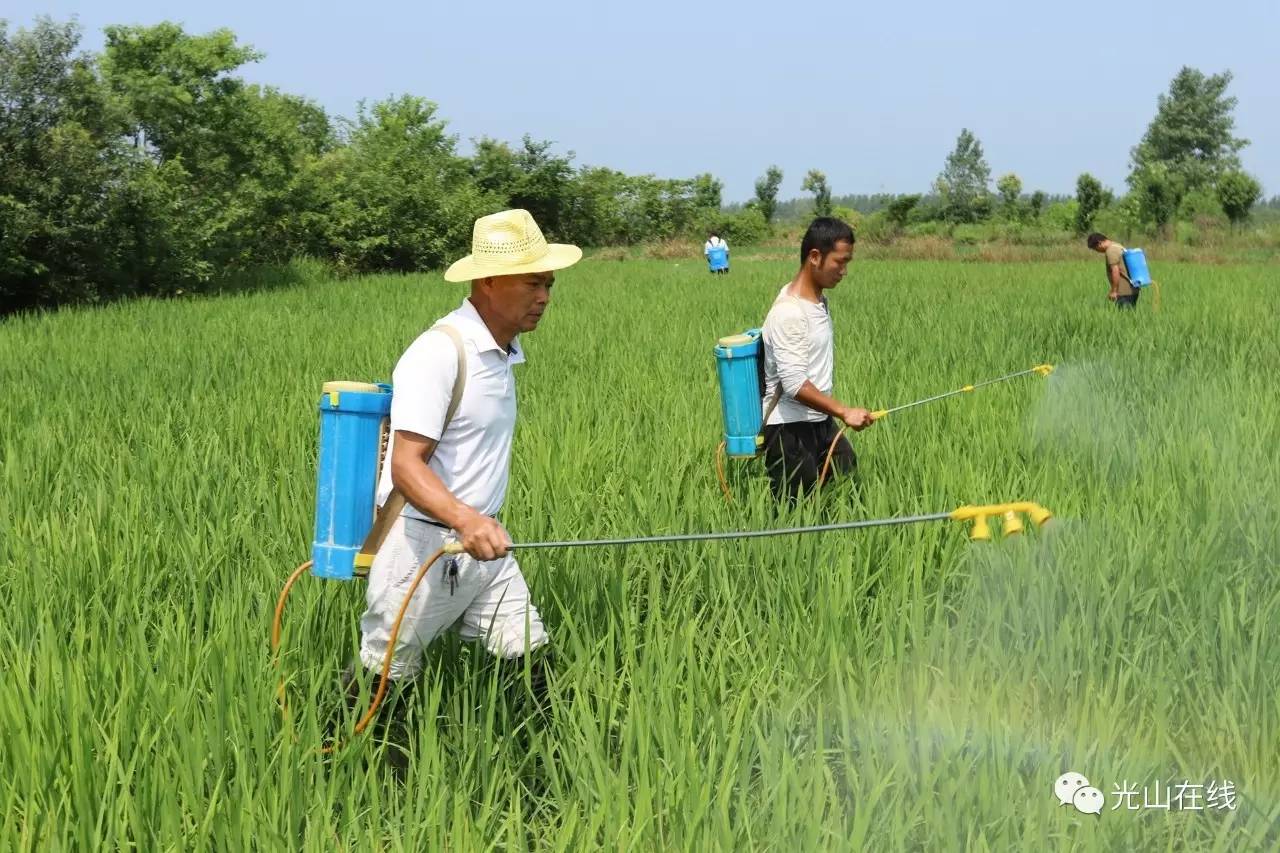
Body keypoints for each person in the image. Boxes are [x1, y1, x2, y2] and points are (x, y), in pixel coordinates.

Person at [344, 209, 581, 763]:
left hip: (483, 548)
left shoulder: (501, 352)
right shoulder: (439, 352)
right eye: (532, 282)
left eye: (548, 282)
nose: (545, 295)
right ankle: (358, 777)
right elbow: (407, 465)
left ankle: (551, 770)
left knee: (529, 659)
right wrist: (466, 519)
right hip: (423, 547)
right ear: (488, 282)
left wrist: (479, 524)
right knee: (386, 676)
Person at [759, 217, 875, 503]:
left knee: (844, 470)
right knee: (796, 509)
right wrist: (844, 411)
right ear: (815, 256)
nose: (844, 271)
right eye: (840, 261)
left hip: (816, 419)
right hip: (789, 428)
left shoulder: (817, 301)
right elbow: (795, 383)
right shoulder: (789, 313)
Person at [1086, 232, 1138, 309]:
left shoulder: (1110, 251)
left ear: (1099, 243)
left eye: (1096, 249)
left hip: (1124, 291)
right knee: (1130, 316)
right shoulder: (1117, 245)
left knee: (1123, 317)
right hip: (1133, 289)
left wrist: (1114, 291)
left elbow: (1115, 271)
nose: (1098, 251)